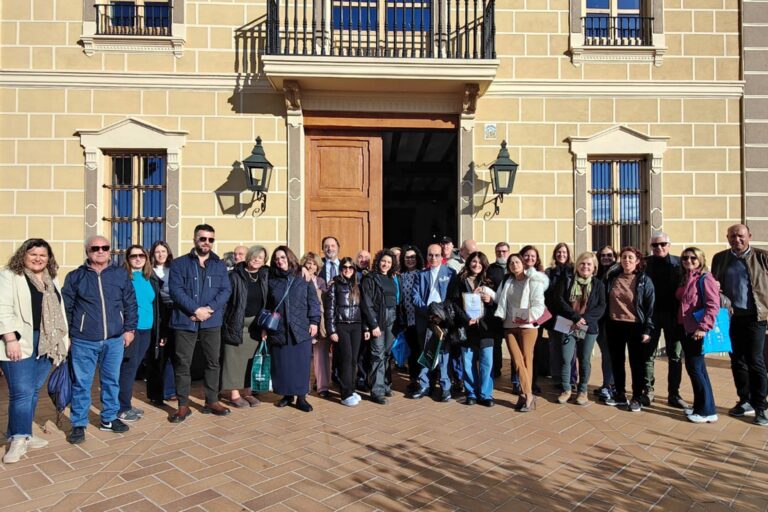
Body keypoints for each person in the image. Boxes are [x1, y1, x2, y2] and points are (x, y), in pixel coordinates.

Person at [63, 235, 137, 444]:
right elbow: (66, 308)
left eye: (105, 247)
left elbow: (130, 303)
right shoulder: (75, 277)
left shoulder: (120, 274)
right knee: (82, 384)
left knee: (111, 381)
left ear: (109, 250)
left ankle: (109, 418)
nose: (101, 251)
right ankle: (79, 423)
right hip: (83, 340)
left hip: (114, 339)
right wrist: (68, 335)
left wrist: (129, 329)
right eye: (95, 248)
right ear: (88, 251)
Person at [0, 239, 69, 463]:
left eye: (43, 255)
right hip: (20, 341)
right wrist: (10, 339)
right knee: (21, 391)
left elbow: (59, 310)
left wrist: (63, 340)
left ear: (49, 258)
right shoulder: (10, 275)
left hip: (47, 341)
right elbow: (2, 309)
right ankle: (18, 439)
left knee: (32, 390)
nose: (38, 258)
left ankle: (24, 434)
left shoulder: (51, 278)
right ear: (23, 255)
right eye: (33, 254)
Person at [168, 224, 232, 423]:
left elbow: (225, 290)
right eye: (203, 238)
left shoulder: (219, 265)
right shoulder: (179, 263)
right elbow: (176, 291)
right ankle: (183, 405)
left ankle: (211, 401)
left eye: (210, 239)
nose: (206, 242)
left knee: (213, 362)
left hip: (211, 321)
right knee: (183, 363)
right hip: (185, 320)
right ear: (195, 239)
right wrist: (196, 310)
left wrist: (208, 310)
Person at [712, 224, 768, 425]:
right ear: (727, 238)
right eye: (733, 236)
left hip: (756, 317)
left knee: (755, 360)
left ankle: (761, 406)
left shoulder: (762, 257)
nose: (737, 239)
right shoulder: (720, 258)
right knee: (737, 360)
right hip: (730, 317)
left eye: (741, 236)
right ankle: (745, 400)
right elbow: (714, 285)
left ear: (749, 236)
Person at [258, 246, 321, 412]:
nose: (280, 261)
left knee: (301, 365)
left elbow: (313, 301)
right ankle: (286, 395)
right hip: (279, 329)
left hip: (300, 328)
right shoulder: (271, 278)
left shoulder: (302, 276)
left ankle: (301, 397)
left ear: (289, 258)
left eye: (283, 257)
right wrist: (264, 328)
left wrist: (314, 321)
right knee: (283, 365)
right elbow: (268, 305)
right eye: (276, 258)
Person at [550, 252, 606, 405]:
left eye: (589, 264)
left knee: (584, 359)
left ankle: (582, 391)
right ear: (577, 266)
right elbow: (559, 300)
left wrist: (584, 319)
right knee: (566, 358)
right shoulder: (567, 281)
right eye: (582, 263)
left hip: (589, 327)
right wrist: (575, 317)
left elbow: (601, 306)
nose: (585, 267)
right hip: (568, 325)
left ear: (594, 267)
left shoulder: (598, 284)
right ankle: (566, 389)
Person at [495, 253, 549, 412]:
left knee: (526, 360)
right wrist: (484, 291)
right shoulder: (507, 281)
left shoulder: (533, 281)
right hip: (509, 326)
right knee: (517, 361)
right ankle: (528, 394)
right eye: (511, 263)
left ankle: (525, 395)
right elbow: (498, 299)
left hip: (528, 327)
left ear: (523, 264)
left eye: (517, 262)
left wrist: (526, 317)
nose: (514, 265)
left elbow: (539, 306)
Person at [604, 247, 655, 412]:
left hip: (635, 326)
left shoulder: (644, 280)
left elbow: (650, 307)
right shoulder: (612, 277)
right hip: (614, 324)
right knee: (617, 361)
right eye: (624, 257)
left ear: (637, 261)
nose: (627, 260)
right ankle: (620, 394)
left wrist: (647, 329)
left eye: (630, 258)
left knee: (636, 363)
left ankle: (637, 397)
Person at [220, 246, 268, 408]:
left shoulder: (264, 275)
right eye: (254, 256)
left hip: (256, 325)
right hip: (236, 322)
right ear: (248, 257)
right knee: (233, 359)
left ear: (264, 261)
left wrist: (305, 270)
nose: (257, 259)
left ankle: (248, 392)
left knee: (250, 360)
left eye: (260, 257)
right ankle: (234, 394)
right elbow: (225, 301)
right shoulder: (234, 275)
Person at [676, 247, 720, 423]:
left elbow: (713, 305)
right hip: (685, 328)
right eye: (685, 258)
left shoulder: (705, 278)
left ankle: (705, 411)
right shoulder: (686, 277)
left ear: (700, 259)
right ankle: (703, 407)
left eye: (693, 258)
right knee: (697, 368)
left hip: (696, 330)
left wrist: (703, 327)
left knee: (695, 369)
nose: (689, 260)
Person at [645, 232, 687, 408]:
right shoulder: (644, 264)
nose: (659, 247)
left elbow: (698, 275)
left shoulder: (680, 263)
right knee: (648, 355)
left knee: (675, 356)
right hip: (651, 317)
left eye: (662, 244)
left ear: (669, 245)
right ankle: (648, 391)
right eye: (655, 245)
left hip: (674, 317)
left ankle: (674, 394)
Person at [449, 251, 496, 407]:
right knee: (468, 362)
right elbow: (454, 303)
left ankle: (486, 394)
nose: (476, 265)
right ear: (469, 262)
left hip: (486, 328)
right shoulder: (459, 281)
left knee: (486, 362)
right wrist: (466, 318)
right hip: (467, 327)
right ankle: (471, 393)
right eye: (474, 261)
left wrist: (489, 301)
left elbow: (498, 304)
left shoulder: (489, 281)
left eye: (480, 262)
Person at [117, 245, 158, 422]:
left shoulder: (148, 277)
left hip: (146, 329)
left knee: (133, 368)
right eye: (133, 256)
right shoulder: (124, 278)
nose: (138, 258)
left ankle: (125, 403)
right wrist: (126, 329)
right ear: (127, 259)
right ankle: (122, 408)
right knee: (128, 368)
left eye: (142, 255)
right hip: (131, 330)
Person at [411, 243, 456, 400]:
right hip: (425, 318)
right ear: (427, 256)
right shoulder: (421, 274)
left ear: (442, 256)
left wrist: (441, 314)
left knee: (443, 354)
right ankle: (424, 385)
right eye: (430, 255)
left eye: (437, 255)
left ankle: (445, 387)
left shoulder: (450, 273)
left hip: (443, 320)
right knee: (425, 352)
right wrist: (428, 312)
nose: (433, 258)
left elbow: (452, 297)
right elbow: (415, 296)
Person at [325, 257, 368, 406]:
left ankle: (351, 389)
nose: (348, 270)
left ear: (354, 270)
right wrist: (332, 330)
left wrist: (365, 328)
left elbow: (363, 308)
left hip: (356, 326)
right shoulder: (334, 285)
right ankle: (345, 394)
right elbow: (329, 310)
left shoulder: (357, 285)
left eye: (350, 267)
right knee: (346, 359)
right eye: (345, 267)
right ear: (341, 269)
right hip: (341, 326)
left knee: (354, 360)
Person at [361, 249, 400, 404]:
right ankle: (376, 391)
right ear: (378, 261)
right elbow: (366, 303)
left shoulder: (391, 278)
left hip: (392, 319)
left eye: (389, 262)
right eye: (383, 261)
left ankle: (384, 385)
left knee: (387, 354)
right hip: (379, 319)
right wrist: (373, 324)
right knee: (377, 354)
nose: (386, 264)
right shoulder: (370, 278)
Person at [146, 240, 176, 405]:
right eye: (157, 251)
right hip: (157, 315)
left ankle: (170, 390)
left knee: (172, 354)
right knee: (156, 355)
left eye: (163, 251)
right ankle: (155, 394)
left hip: (174, 313)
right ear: (153, 254)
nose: (161, 254)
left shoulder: (175, 269)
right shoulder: (149, 272)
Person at [544, 243, 575, 390]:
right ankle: (557, 377)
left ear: (568, 254)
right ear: (555, 254)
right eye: (559, 252)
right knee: (555, 347)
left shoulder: (573, 271)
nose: (561, 255)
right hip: (553, 315)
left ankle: (571, 378)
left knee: (570, 348)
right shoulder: (549, 272)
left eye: (564, 252)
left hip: (568, 315)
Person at [301, 252, 330, 398]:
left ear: (318, 267)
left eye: (314, 264)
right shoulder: (298, 279)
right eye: (308, 262)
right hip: (303, 322)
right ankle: (302, 387)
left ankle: (322, 387)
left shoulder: (320, 281)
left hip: (320, 323)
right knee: (303, 357)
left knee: (321, 357)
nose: (311, 266)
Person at [399, 245, 425, 390]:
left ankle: (425, 379)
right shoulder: (400, 276)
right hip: (407, 320)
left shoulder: (423, 274)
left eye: (413, 257)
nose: (410, 260)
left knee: (422, 350)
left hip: (421, 319)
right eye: (407, 257)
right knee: (412, 351)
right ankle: (414, 379)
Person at [594, 245, 618, 400]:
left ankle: (610, 386)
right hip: (599, 319)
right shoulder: (597, 273)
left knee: (609, 354)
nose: (606, 258)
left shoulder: (617, 273)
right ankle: (607, 383)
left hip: (611, 319)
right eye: (603, 255)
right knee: (606, 353)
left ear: (614, 257)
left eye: (609, 255)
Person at [487, 242, 510, 378]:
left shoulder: (514, 266)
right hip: (495, 312)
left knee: (514, 343)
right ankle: (496, 369)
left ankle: (516, 377)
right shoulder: (490, 269)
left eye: (504, 251)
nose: (501, 253)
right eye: (498, 251)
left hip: (512, 312)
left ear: (508, 252)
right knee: (496, 343)